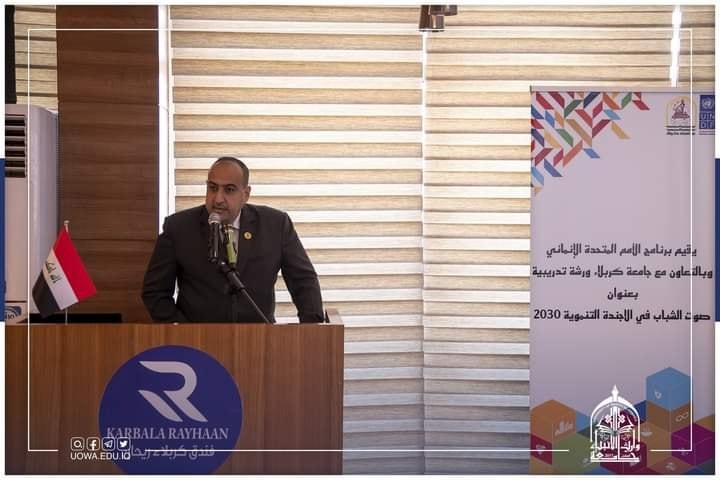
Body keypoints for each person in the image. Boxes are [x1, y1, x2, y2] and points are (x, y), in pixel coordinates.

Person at [142, 156, 324, 323]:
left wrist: (311, 329)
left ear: (246, 194)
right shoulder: (179, 227)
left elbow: (303, 280)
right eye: (212, 188)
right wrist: (184, 331)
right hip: (196, 342)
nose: (218, 199)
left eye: (229, 190)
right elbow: (155, 292)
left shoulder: (275, 225)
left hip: (260, 338)